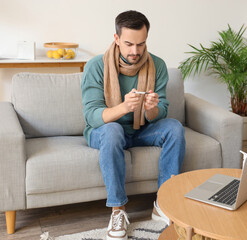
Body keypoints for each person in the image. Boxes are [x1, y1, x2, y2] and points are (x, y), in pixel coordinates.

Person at [81, 10, 186, 240]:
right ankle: (118, 210)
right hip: (105, 131)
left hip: (140, 130)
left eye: (141, 44)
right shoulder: (96, 66)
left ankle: (164, 204)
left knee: (175, 128)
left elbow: (163, 110)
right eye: (129, 44)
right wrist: (124, 107)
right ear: (116, 39)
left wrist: (151, 109)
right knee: (112, 130)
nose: (135, 51)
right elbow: (91, 115)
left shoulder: (156, 64)